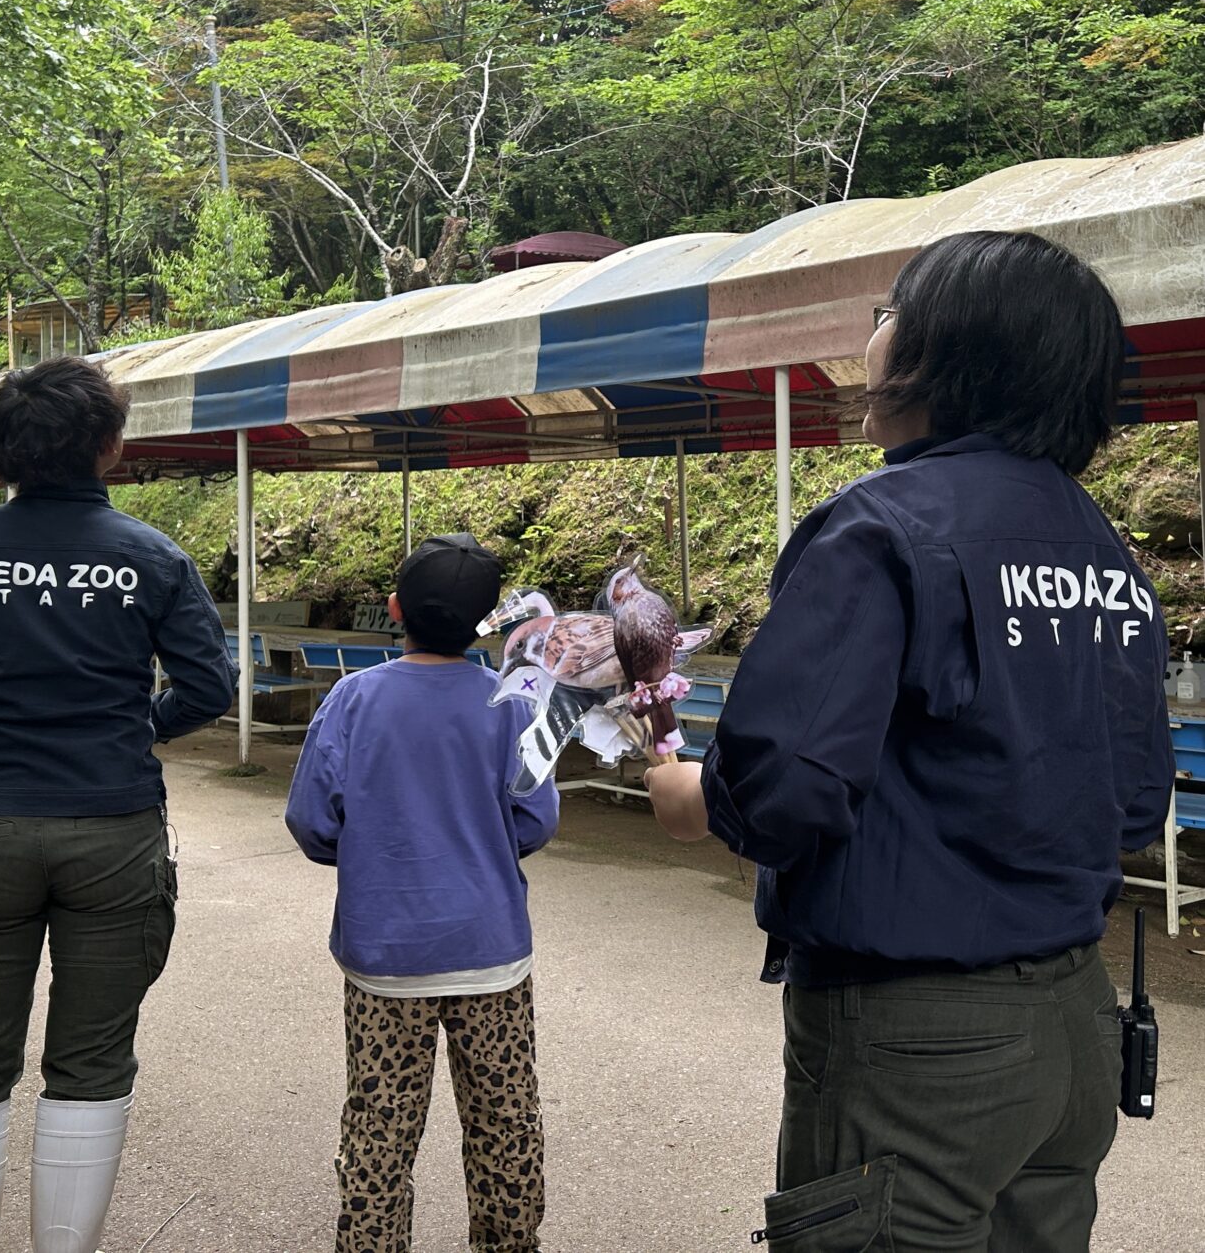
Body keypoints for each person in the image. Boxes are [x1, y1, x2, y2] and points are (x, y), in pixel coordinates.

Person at [646, 231, 1173, 1253]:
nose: (873, 336)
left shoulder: (883, 527)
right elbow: (1136, 802)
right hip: (1075, 1022)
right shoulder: (1103, 552)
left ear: (950, 352)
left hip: (918, 1040)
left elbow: (786, 782)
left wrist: (695, 796)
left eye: (889, 313)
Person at [0, 356, 236, 1253]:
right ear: (109, 447)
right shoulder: (151, 556)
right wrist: (138, 729)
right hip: (114, 827)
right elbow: (208, 685)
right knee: (92, 1060)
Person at [285, 533, 559, 1253]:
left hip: (385, 956)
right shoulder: (512, 704)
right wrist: (483, 848)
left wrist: (370, 854)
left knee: (379, 1125)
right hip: (490, 953)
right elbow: (535, 819)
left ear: (394, 608)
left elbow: (312, 821)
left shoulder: (353, 698)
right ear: (486, 626)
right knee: (505, 1122)